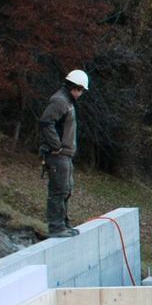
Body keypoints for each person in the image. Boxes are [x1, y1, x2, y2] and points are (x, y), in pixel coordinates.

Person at [38, 69, 89, 238]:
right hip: (58, 155)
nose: (81, 94)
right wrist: (56, 145)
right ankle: (56, 227)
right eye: (81, 90)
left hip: (64, 155)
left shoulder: (66, 101)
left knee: (66, 189)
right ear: (76, 87)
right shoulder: (60, 101)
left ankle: (64, 224)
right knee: (58, 191)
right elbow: (46, 122)